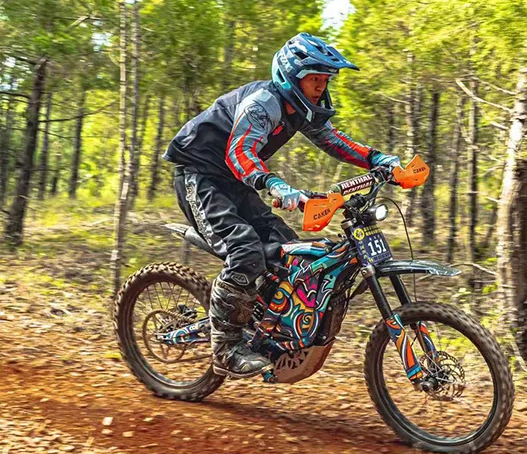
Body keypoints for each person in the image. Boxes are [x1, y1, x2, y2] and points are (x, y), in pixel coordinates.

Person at [163, 33, 402, 378]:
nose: (321, 86)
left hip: (236, 182)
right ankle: (226, 349)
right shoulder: (263, 103)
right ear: (291, 76)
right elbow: (240, 152)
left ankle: (264, 328)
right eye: (314, 78)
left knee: (288, 252)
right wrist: (275, 184)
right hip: (200, 177)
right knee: (245, 249)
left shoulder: (303, 110)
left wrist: (379, 160)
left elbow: (333, 140)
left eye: (325, 79)